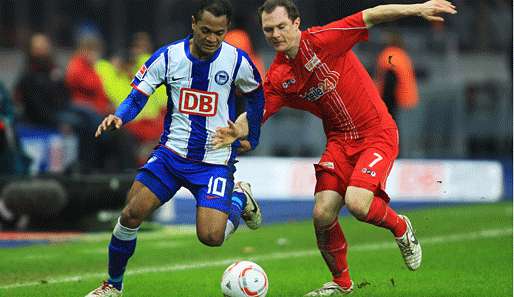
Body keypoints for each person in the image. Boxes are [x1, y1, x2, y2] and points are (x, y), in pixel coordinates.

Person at [214, 0, 457, 295]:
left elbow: (371, 15)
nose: (276, 34)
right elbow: (257, 113)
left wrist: (416, 9)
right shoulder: (279, 77)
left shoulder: (324, 39)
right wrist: (234, 130)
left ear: (296, 23)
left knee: (357, 203)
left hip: (376, 132)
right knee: (322, 214)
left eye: (281, 26)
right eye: (268, 30)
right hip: (340, 142)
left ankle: (400, 227)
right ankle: (341, 284)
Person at [85, 0, 264, 296]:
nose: (211, 38)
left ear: (226, 31)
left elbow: (257, 96)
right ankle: (112, 286)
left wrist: (250, 136)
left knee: (211, 237)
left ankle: (238, 199)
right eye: (206, 30)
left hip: (213, 161)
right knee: (131, 214)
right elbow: (138, 96)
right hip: (170, 156)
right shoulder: (168, 57)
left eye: (219, 33)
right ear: (193, 23)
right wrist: (120, 115)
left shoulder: (236, 61)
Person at [375, 31, 419, 120]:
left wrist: (386, 105)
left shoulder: (390, 55)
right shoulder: (402, 55)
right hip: (406, 100)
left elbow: (390, 81)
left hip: (395, 102)